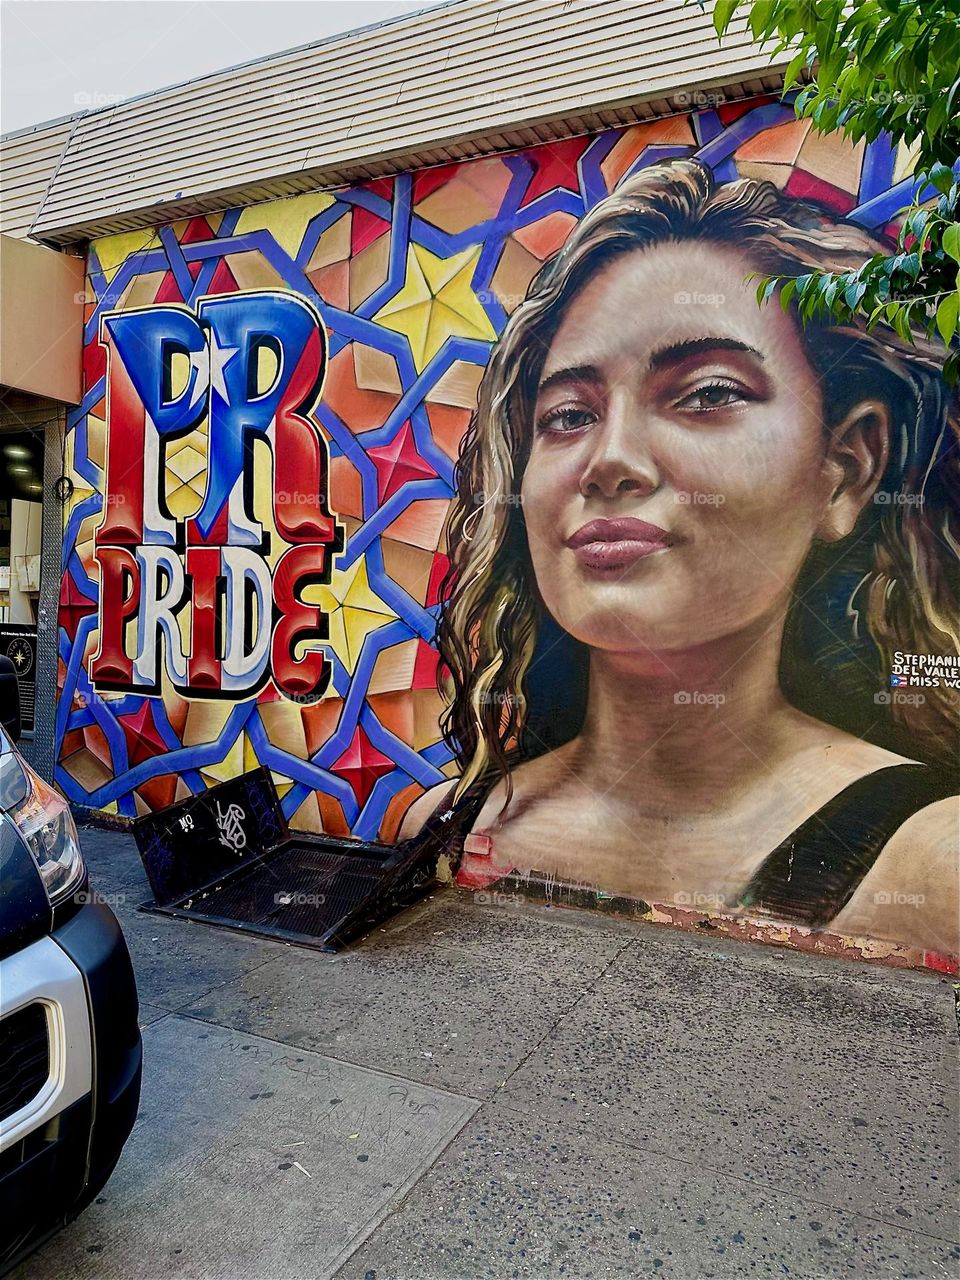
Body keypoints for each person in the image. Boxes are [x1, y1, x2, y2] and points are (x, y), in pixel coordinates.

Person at [399, 158, 959, 954]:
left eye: (708, 393)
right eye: (567, 414)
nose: (610, 459)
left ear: (846, 470)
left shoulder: (935, 867)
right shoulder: (450, 825)